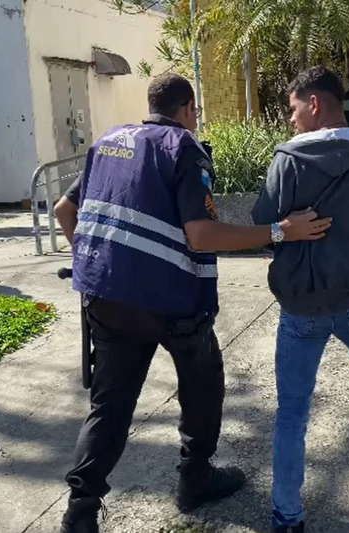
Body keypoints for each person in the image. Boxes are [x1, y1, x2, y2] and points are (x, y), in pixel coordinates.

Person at [53, 72, 333, 533]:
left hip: (105, 298)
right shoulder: (182, 147)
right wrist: (281, 231)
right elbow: (201, 236)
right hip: (171, 303)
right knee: (203, 384)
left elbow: (65, 211)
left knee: (110, 406)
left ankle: (80, 511)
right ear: (187, 110)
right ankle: (195, 477)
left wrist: (95, 261)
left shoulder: (108, 141)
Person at [251, 65, 349, 533]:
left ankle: (287, 517)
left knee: (292, 411)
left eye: (293, 109)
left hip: (301, 306)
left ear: (314, 104)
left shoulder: (287, 160)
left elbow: (263, 224)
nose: (291, 119)